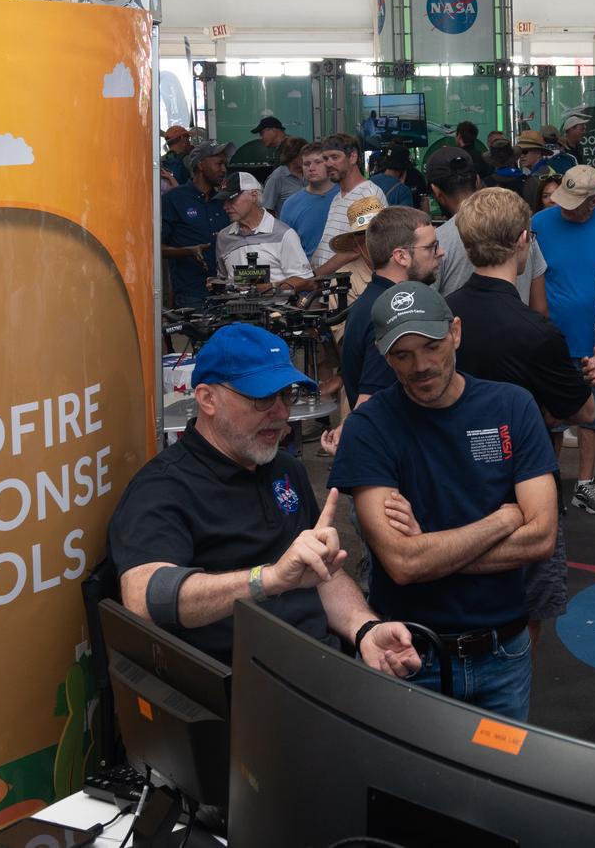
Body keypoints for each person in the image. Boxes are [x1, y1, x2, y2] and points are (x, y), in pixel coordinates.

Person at [108, 323, 420, 675]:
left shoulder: (284, 468)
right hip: (242, 688)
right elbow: (143, 597)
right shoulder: (164, 487)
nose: (281, 413)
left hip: (324, 671)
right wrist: (267, 580)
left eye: (286, 395)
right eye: (262, 399)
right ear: (207, 399)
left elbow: (322, 574)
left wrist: (364, 628)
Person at [329, 283, 558, 719]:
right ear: (383, 355)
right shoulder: (369, 427)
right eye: (402, 355)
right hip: (410, 658)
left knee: (501, 764)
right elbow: (403, 563)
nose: (421, 366)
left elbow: (541, 538)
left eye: (432, 346)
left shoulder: (512, 406)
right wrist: (503, 520)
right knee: (407, 767)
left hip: (504, 658)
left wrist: (428, 547)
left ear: (455, 332)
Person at [441, 189, 595, 658]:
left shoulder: (443, 315)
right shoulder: (535, 331)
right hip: (519, 491)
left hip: (449, 480)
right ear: (524, 241)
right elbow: (586, 413)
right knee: (524, 618)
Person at [529, 165, 595, 515]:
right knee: (551, 417)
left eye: (574, 204)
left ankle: (584, 484)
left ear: (594, 201)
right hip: (551, 338)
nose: (566, 209)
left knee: (593, 416)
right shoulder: (540, 222)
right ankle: (550, 483)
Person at [335, 206, 440, 411]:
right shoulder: (392, 314)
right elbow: (370, 403)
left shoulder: (373, 299)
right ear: (401, 257)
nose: (441, 253)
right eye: (431, 247)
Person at [428, 146, 547, 310]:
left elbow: (429, 312)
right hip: (521, 324)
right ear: (477, 180)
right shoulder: (522, 229)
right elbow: (540, 308)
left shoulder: (435, 243)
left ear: (436, 191)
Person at [213, 171, 315, 293]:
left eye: (231, 199)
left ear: (254, 195)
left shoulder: (284, 234)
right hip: (235, 305)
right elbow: (223, 279)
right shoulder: (224, 237)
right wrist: (218, 284)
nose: (225, 206)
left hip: (277, 305)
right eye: (224, 201)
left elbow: (305, 280)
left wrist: (269, 288)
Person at [160, 139, 232, 308]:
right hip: (192, 294)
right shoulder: (174, 199)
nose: (223, 169)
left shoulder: (224, 201)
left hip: (228, 293)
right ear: (201, 164)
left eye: (225, 164)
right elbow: (157, 249)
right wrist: (189, 251)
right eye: (219, 164)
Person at [313, 134, 386, 277]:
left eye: (335, 157)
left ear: (353, 157)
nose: (328, 163)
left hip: (349, 286)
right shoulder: (338, 197)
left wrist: (315, 276)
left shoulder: (367, 195)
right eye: (325, 158)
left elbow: (357, 249)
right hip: (329, 284)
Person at [259, 135, 307, 214]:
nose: (306, 158)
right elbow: (267, 209)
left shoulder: (310, 172)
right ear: (293, 155)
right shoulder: (276, 177)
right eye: (303, 155)